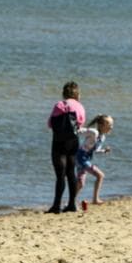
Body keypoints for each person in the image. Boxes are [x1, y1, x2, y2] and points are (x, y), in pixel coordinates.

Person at [45, 81, 86, 213]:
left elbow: (50, 124)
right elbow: (80, 122)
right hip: (73, 141)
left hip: (59, 142)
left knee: (60, 175)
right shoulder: (79, 106)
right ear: (77, 94)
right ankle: (72, 204)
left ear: (63, 93)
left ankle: (56, 206)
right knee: (71, 173)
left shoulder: (59, 105)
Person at [75, 114, 113, 209]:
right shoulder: (94, 132)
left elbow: (95, 150)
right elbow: (80, 131)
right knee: (100, 175)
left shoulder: (102, 137)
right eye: (108, 124)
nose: (111, 126)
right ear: (100, 125)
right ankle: (95, 199)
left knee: (80, 183)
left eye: (112, 124)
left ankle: (71, 201)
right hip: (80, 157)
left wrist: (104, 151)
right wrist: (77, 127)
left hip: (85, 159)